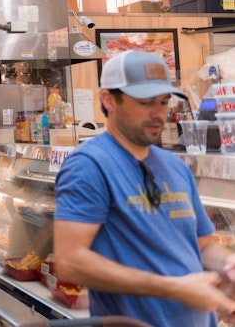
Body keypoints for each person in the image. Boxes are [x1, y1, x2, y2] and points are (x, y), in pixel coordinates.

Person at [55, 50, 235, 326]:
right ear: (109, 100)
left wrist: (227, 266)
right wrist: (175, 288)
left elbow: (202, 246)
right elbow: (71, 262)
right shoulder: (90, 165)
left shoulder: (175, 167)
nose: (158, 113)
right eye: (145, 102)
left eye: (164, 101)